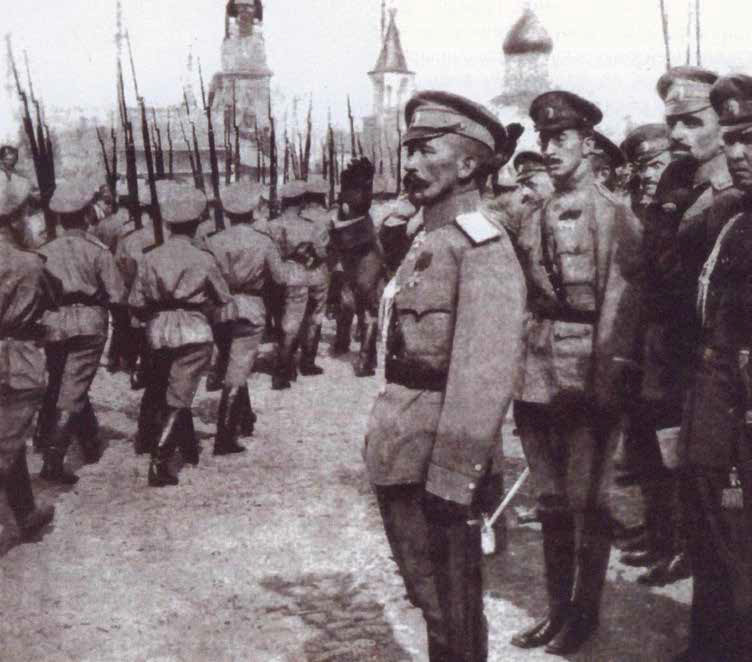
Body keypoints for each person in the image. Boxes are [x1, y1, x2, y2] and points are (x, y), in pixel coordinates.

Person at [364, 90, 526, 662]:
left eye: (426, 150)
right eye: (408, 151)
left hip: (439, 460)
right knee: (429, 598)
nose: (409, 164)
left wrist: (455, 475)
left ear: (468, 165)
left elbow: (484, 375)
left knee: (452, 607)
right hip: (402, 447)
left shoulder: (481, 247)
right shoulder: (428, 239)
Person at [509, 91, 642, 655]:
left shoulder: (613, 214)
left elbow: (621, 302)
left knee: (588, 500)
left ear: (588, 145)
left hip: (586, 373)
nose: (549, 148)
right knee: (550, 500)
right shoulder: (534, 212)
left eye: (560, 138)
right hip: (536, 371)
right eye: (544, 139)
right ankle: (557, 609)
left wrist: (605, 382)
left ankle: (584, 614)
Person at [642, 66, 743, 586]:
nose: (678, 134)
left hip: (722, 361)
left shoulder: (733, 194)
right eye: (671, 123)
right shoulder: (676, 182)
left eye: (691, 121)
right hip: (680, 352)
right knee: (684, 468)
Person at [668, 72, 752, 662]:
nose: (738, 152)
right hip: (714, 408)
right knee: (714, 539)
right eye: (733, 139)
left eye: (751, 139)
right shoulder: (734, 220)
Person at [128, 183, 236, 487]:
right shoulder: (203, 258)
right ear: (196, 224)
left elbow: (136, 301)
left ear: (167, 224)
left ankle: (186, 448)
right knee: (180, 395)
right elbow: (223, 297)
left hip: (158, 329)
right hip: (192, 328)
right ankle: (160, 461)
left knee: (169, 389)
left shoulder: (151, 257)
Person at [37, 179, 127, 484]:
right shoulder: (98, 251)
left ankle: (89, 442)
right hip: (89, 321)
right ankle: (53, 459)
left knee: (66, 381)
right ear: (88, 214)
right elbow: (117, 295)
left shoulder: (45, 251)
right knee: (73, 388)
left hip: (54, 321)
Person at [205, 180, 291, 455]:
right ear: (253, 211)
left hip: (220, 308)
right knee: (238, 368)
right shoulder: (263, 241)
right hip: (251, 307)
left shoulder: (212, 242)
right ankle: (225, 436)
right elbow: (280, 278)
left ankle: (245, 418)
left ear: (227, 212)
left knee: (233, 364)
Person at [0, 174, 56, 539]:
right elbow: (53, 298)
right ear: (16, 218)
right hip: (16, 361)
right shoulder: (29, 263)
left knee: (9, 438)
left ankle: (25, 512)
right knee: (7, 439)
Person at [329, 157, 387, 376]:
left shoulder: (345, 200)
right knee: (368, 308)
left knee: (350, 300)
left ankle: (344, 344)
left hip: (351, 255)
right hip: (366, 254)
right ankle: (366, 359)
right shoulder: (364, 200)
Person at [270, 180, 330, 389]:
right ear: (301, 202)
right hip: (306, 275)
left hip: (280, 276)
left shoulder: (271, 225)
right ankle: (305, 363)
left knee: (285, 322)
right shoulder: (309, 226)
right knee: (312, 318)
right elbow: (321, 253)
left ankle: (284, 368)